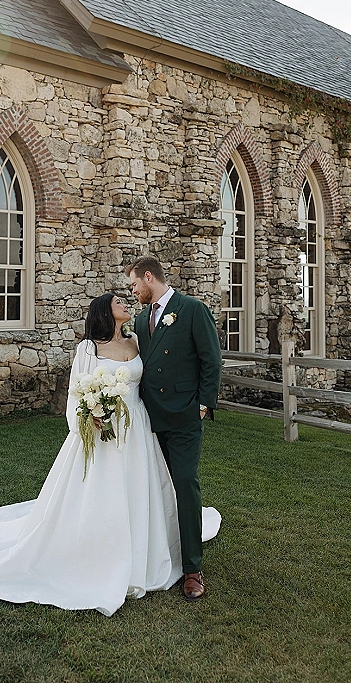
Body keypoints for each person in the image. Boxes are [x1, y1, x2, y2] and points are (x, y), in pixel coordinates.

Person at [0, 293, 221, 616]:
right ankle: (96, 552)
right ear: (104, 311)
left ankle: (146, 549)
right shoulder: (88, 348)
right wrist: (90, 416)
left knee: (140, 489)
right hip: (102, 431)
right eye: (118, 301)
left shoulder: (135, 340)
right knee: (101, 493)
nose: (126, 303)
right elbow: (78, 391)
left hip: (138, 426)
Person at [127, 256, 222, 601]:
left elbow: (211, 359)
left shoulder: (192, 309)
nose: (133, 291)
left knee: (184, 483)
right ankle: (159, 552)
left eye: (134, 284)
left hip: (183, 417)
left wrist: (202, 405)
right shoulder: (140, 320)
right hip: (150, 420)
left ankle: (192, 568)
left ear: (149, 277)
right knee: (155, 486)